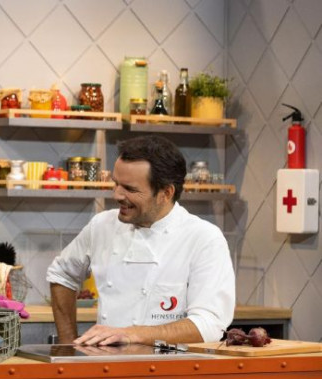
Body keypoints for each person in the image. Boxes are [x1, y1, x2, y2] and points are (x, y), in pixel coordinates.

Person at [46, 135, 235, 346]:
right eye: (116, 184)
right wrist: (68, 345)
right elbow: (61, 274)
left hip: (170, 366)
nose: (117, 195)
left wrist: (131, 334)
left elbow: (208, 324)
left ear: (166, 193)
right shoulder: (101, 225)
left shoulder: (204, 238)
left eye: (130, 189)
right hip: (105, 364)